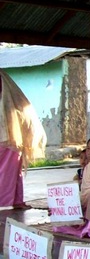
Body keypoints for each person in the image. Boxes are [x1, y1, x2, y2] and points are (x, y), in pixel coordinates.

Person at [0, 69, 46, 209]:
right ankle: (14, 200)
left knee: (11, 169)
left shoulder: (2, 79)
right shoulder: (4, 79)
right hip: (9, 133)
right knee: (11, 169)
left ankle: (12, 201)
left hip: (9, 133)